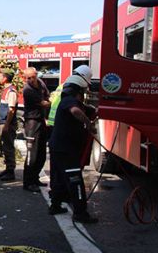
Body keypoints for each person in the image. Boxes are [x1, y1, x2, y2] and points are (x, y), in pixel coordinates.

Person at [48, 75, 98, 223]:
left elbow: (85, 110)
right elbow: (76, 111)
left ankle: (55, 206)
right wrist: (89, 124)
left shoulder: (65, 100)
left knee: (59, 179)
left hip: (58, 147)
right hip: (66, 149)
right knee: (75, 180)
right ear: (79, 91)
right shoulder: (70, 100)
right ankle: (80, 213)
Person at [22, 67, 50, 192]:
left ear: (36, 75)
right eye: (27, 78)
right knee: (32, 154)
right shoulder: (27, 90)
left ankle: (35, 177)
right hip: (32, 122)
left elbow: (48, 97)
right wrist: (48, 102)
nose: (29, 80)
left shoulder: (41, 83)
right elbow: (44, 103)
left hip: (41, 120)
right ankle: (28, 182)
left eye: (32, 77)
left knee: (42, 153)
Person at [0, 70, 18, 181]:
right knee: (5, 146)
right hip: (3, 122)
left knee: (8, 147)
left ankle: (10, 171)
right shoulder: (5, 90)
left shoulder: (11, 91)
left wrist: (7, 125)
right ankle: (7, 168)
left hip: (7, 123)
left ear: (5, 78)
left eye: (0, 76)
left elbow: (11, 110)